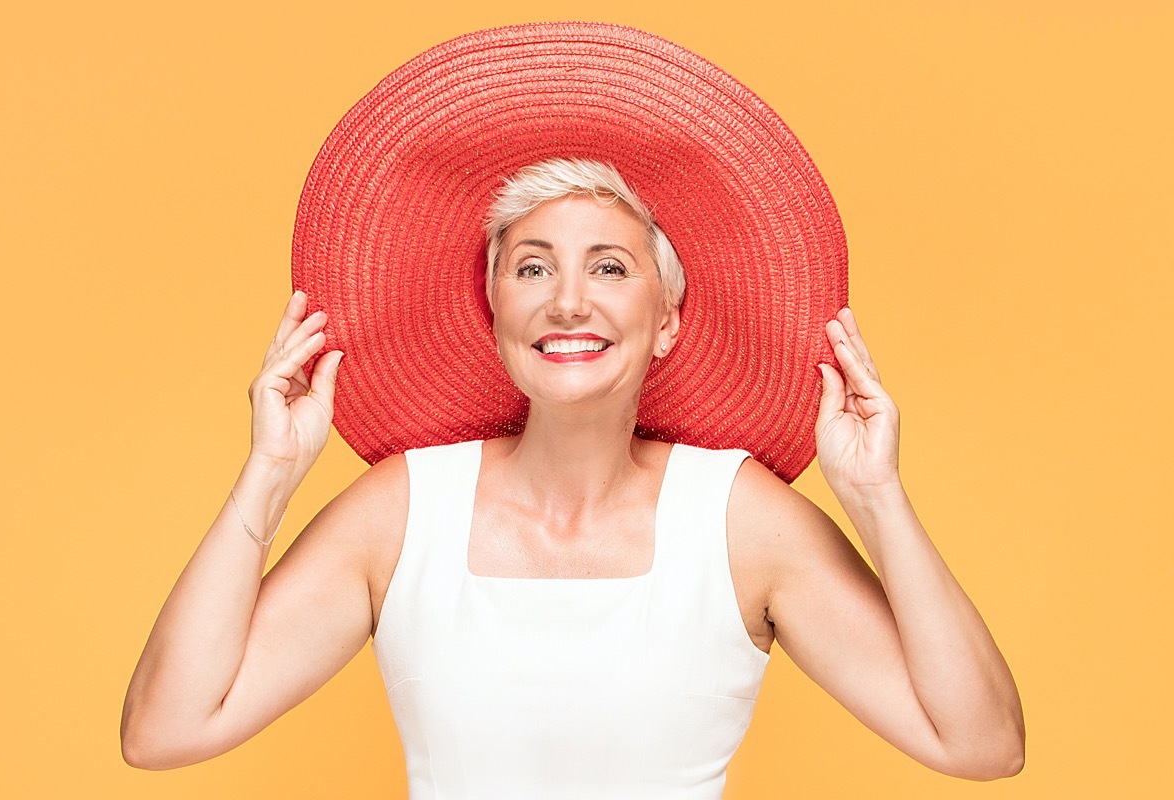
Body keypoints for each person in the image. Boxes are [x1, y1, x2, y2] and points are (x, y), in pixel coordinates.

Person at [121, 23, 1023, 796]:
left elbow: (982, 745)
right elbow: (165, 729)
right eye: (532, 267)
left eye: (610, 267)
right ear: (495, 312)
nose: (567, 302)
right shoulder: (403, 511)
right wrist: (270, 477)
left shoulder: (740, 520)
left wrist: (877, 499)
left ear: (666, 321)